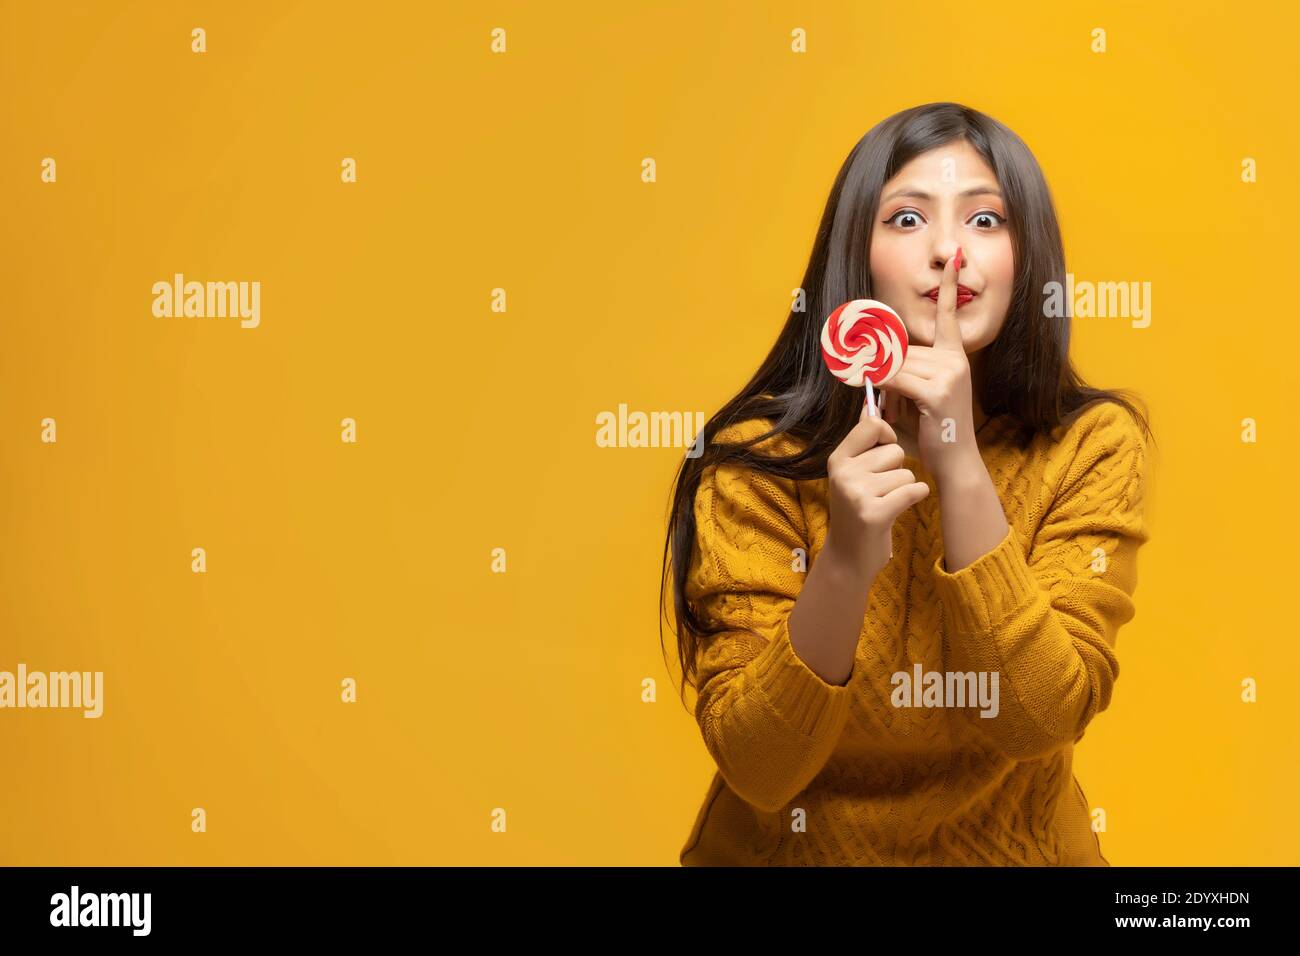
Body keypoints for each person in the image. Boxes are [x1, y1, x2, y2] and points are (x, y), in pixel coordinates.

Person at [659, 102, 1155, 866]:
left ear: (1031, 257)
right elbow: (760, 769)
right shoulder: (756, 459)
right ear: (854, 258)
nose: (949, 252)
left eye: (986, 221)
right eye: (907, 220)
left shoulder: (1090, 445)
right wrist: (848, 561)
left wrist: (956, 460)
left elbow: (1038, 719)